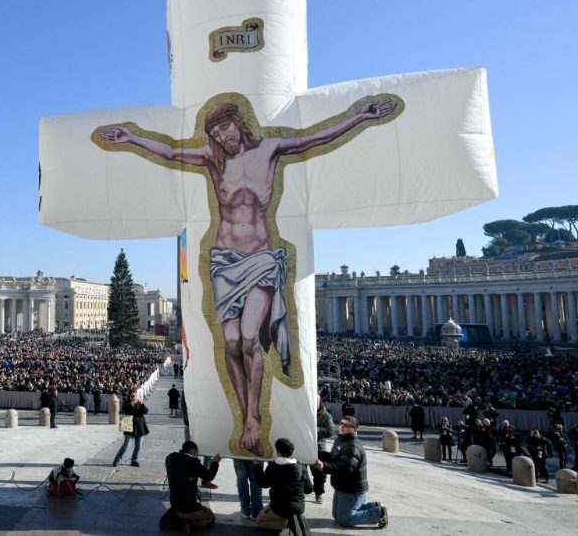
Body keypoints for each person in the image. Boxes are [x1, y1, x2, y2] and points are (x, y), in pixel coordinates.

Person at [98, 98, 397, 454]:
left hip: (260, 258)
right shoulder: (213, 160)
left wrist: (359, 117)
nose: (221, 136)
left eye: (224, 127)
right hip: (224, 262)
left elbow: (312, 140)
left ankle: (253, 415)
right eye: (214, 132)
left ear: (238, 123)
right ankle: (245, 411)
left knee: (251, 337)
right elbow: (171, 152)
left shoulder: (270, 150)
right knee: (233, 342)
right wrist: (131, 138)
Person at [315, 416, 387, 529]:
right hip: (342, 486)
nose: (342, 426)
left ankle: (379, 513)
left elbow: (345, 469)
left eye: (346, 425)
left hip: (352, 490)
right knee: (336, 516)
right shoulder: (340, 439)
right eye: (341, 423)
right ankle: (372, 506)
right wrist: (316, 453)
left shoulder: (352, 446)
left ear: (354, 429)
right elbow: (332, 457)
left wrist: (324, 467)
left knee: (344, 519)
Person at [256, 438, 313, 536]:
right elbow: (309, 490)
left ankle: (285, 523)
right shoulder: (301, 467)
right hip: (299, 509)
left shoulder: (274, 467)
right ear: (292, 452)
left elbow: (263, 483)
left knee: (259, 521)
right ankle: (293, 521)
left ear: (278, 453)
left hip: (279, 508)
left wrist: (257, 466)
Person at [165, 441, 221, 530]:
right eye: (197, 453)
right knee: (210, 516)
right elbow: (209, 476)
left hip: (175, 503)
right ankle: (189, 524)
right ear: (194, 450)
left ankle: (179, 517)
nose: (197, 455)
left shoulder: (170, 458)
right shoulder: (192, 461)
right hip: (189, 507)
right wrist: (215, 463)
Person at [113, 389, 149, 467]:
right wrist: (132, 403)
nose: (133, 397)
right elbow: (127, 411)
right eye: (131, 396)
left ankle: (134, 459)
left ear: (137, 396)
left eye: (134, 395)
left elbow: (146, 411)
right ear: (129, 396)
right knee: (126, 445)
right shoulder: (127, 403)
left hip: (139, 426)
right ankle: (117, 460)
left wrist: (142, 404)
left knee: (138, 445)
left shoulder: (139, 403)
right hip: (128, 423)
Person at [312, 396, 335, 503]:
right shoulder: (306, 412)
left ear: (320, 402)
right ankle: (304, 489)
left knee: (319, 472)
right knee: (300, 470)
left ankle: (318, 493)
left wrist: (314, 430)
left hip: (319, 447)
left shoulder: (326, 415)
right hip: (304, 445)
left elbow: (330, 431)